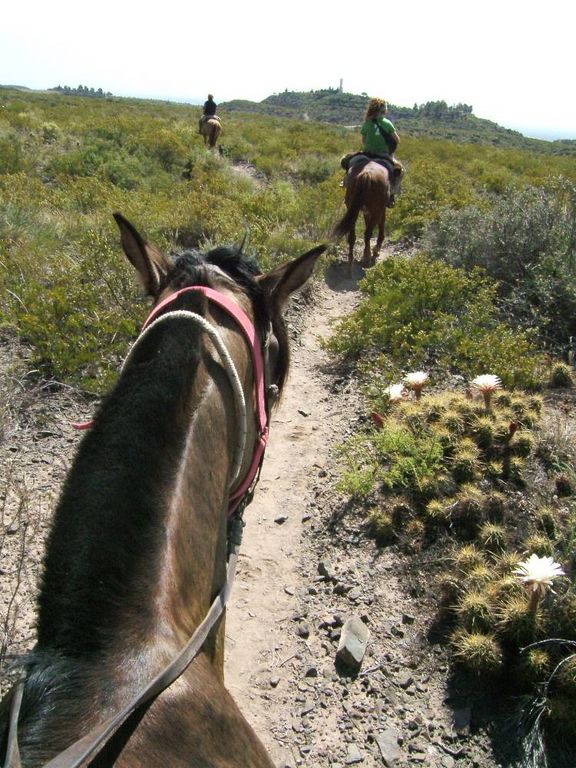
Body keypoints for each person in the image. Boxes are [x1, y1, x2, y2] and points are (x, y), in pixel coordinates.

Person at [341, 97, 404, 206]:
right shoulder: (387, 123)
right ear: (383, 110)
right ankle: (392, 194)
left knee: (346, 161)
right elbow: (397, 140)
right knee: (401, 171)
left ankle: (346, 182)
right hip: (384, 155)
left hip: (367, 153)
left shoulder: (367, 123)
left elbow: (364, 141)